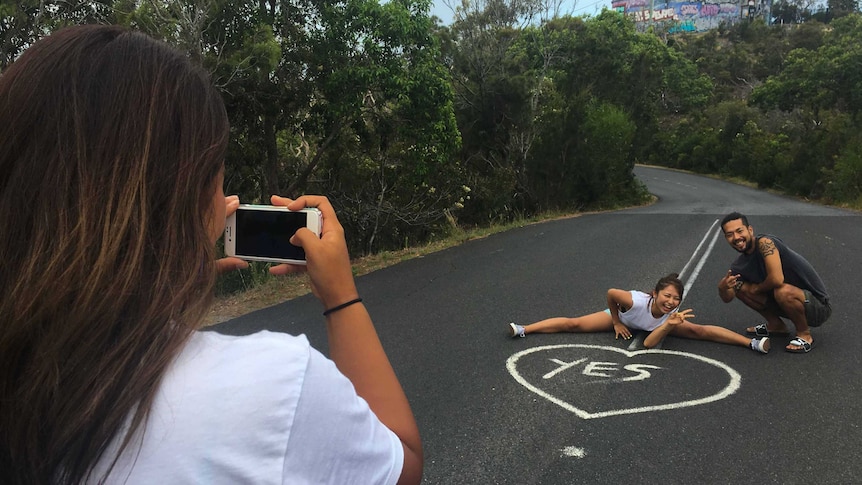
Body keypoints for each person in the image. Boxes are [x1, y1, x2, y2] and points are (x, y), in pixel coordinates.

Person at [0, 25, 421, 484]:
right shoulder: (273, 388)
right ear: (193, 198)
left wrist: (166, 294)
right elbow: (401, 462)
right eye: (217, 172)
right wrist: (341, 298)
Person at [508, 274, 770, 354]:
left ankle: (752, 343)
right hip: (624, 318)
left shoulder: (673, 313)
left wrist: (669, 325)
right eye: (667, 296)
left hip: (655, 328)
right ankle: (524, 329)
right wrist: (615, 321)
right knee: (573, 324)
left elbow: (647, 343)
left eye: (676, 298)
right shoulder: (633, 300)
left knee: (700, 332)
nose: (671, 301)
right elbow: (610, 291)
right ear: (655, 293)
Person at [718, 212, 832, 353]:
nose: (736, 237)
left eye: (739, 231)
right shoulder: (738, 266)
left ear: (750, 230)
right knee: (740, 288)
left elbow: (777, 279)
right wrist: (723, 288)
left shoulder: (765, 243)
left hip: (817, 306)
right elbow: (728, 298)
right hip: (787, 302)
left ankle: (804, 334)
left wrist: (757, 289)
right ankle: (776, 325)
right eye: (730, 234)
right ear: (726, 238)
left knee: (781, 290)